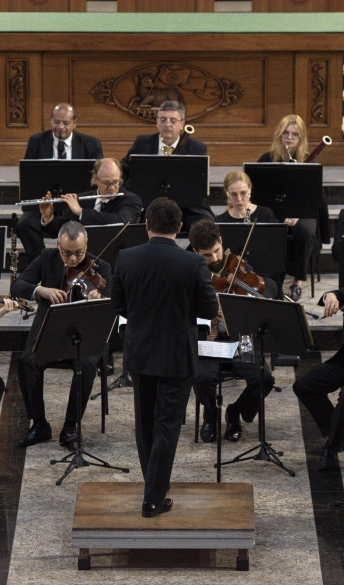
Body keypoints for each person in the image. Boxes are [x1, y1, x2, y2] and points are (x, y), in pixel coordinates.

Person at [111, 198, 218, 517]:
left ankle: (153, 487)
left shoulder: (126, 258)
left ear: (146, 225)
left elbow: (118, 308)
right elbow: (208, 311)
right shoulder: (193, 264)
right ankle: (153, 497)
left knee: (145, 425)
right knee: (167, 425)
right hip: (176, 356)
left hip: (141, 353)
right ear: (180, 227)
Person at [12, 221, 112, 448]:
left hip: (85, 336)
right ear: (58, 245)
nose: (74, 259)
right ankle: (39, 424)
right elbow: (18, 284)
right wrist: (41, 290)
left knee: (86, 364)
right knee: (27, 361)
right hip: (51, 333)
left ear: (86, 244)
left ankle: (70, 426)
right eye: (67, 253)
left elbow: (115, 303)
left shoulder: (101, 267)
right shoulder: (47, 258)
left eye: (79, 253)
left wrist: (100, 299)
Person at [188, 219, 275, 443]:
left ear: (221, 242)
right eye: (206, 255)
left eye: (216, 251)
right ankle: (211, 416)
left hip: (240, 338)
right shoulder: (189, 271)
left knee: (264, 378)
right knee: (201, 376)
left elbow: (270, 285)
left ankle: (235, 412)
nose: (214, 259)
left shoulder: (238, 265)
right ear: (196, 252)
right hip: (209, 338)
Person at [292, 251, 344, 471]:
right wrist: (331, 296)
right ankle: (343, 435)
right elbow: (341, 293)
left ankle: (331, 448)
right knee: (304, 386)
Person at [17, 102, 104, 264]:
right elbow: (29, 175)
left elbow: (96, 180)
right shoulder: (36, 141)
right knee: (24, 224)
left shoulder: (91, 144)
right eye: (56, 122)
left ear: (75, 123)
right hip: (44, 203)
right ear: (50, 121)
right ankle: (42, 265)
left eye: (66, 123)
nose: (60, 127)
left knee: (90, 221)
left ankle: (82, 267)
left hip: (74, 205)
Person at [120, 100, 214, 231]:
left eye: (173, 120)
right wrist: (128, 196)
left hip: (187, 206)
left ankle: (190, 252)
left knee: (205, 228)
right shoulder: (142, 143)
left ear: (182, 124)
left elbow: (199, 184)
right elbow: (122, 170)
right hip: (151, 204)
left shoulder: (197, 148)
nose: (167, 124)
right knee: (139, 230)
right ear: (157, 122)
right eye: (163, 119)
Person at [257, 114, 320, 302]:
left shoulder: (308, 160)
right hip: (274, 211)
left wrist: (297, 214)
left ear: (301, 138)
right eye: (286, 133)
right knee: (272, 229)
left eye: (294, 134)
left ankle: (297, 281)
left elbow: (313, 197)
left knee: (306, 232)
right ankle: (274, 277)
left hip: (302, 211)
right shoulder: (267, 159)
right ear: (279, 135)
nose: (289, 138)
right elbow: (260, 194)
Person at [215, 169, 281, 298]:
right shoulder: (220, 222)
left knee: (263, 301)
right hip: (233, 279)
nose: (239, 199)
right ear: (227, 193)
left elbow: (275, 253)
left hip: (263, 276)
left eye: (243, 193)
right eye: (234, 194)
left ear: (250, 190)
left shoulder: (266, 215)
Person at [39, 158, 142, 236]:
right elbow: (59, 231)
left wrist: (81, 212)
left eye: (115, 182)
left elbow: (121, 222)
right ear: (95, 180)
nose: (111, 187)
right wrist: (48, 217)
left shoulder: (131, 200)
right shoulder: (81, 199)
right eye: (106, 183)